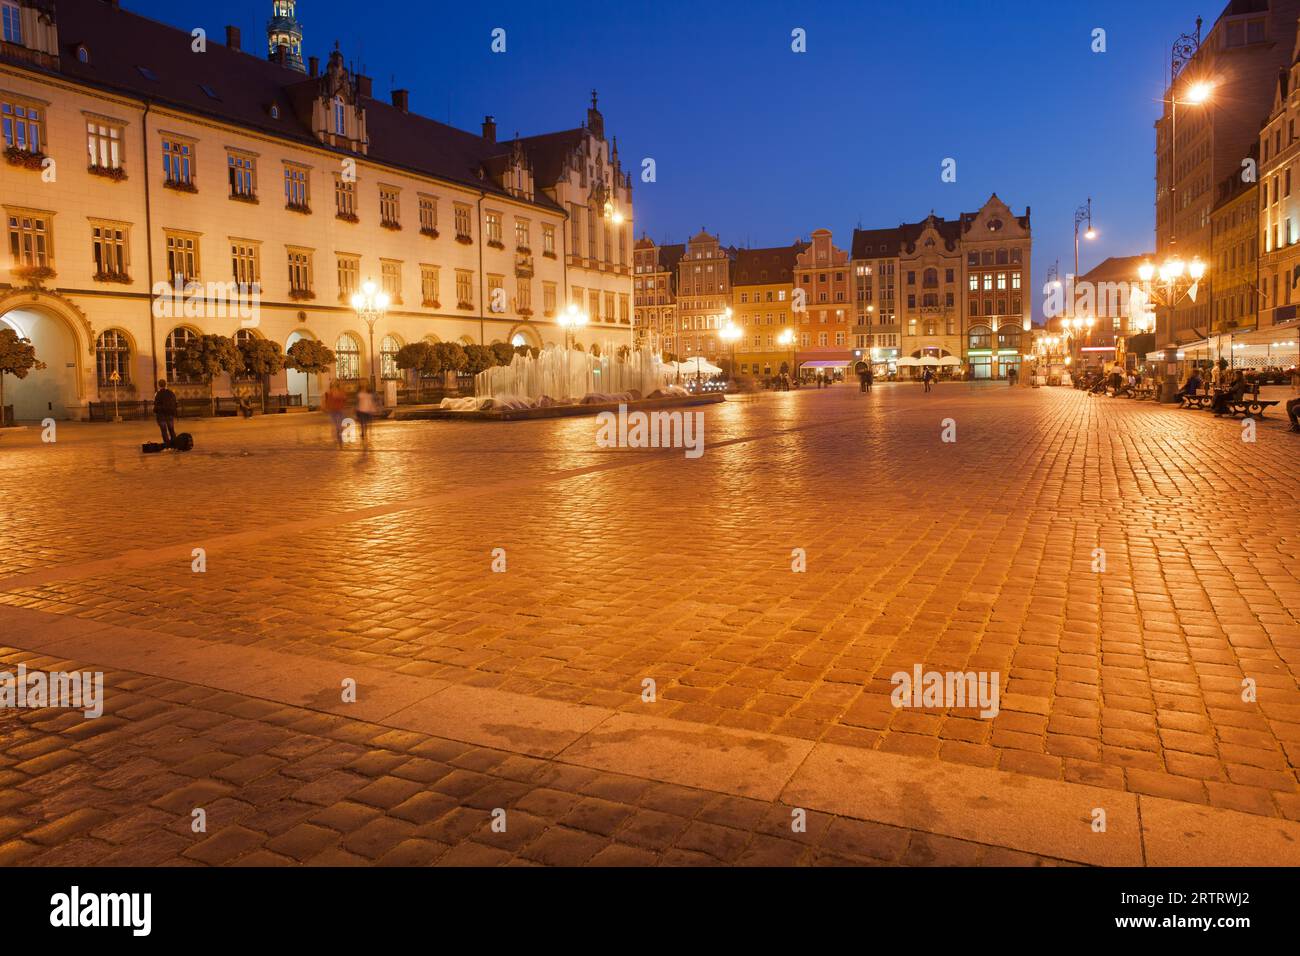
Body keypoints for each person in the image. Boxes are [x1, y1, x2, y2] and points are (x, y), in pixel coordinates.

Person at [153, 379, 178, 446]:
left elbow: (156, 404)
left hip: (161, 415)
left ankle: (167, 444)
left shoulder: (158, 394)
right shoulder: (171, 393)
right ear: (165, 384)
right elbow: (175, 402)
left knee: (164, 430)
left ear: (159, 385)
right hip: (170, 414)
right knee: (171, 429)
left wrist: (155, 411)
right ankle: (174, 443)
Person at [323, 381, 347, 448]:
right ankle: (337, 436)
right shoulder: (328, 392)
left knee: (340, 425)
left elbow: (344, 399)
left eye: (336, 384)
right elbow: (326, 401)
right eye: (333, 384)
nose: (334, 385)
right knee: (335, 425)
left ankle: (339, 434)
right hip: (332, 411)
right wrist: (326, 407)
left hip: (339, 411)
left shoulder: (341, 391)